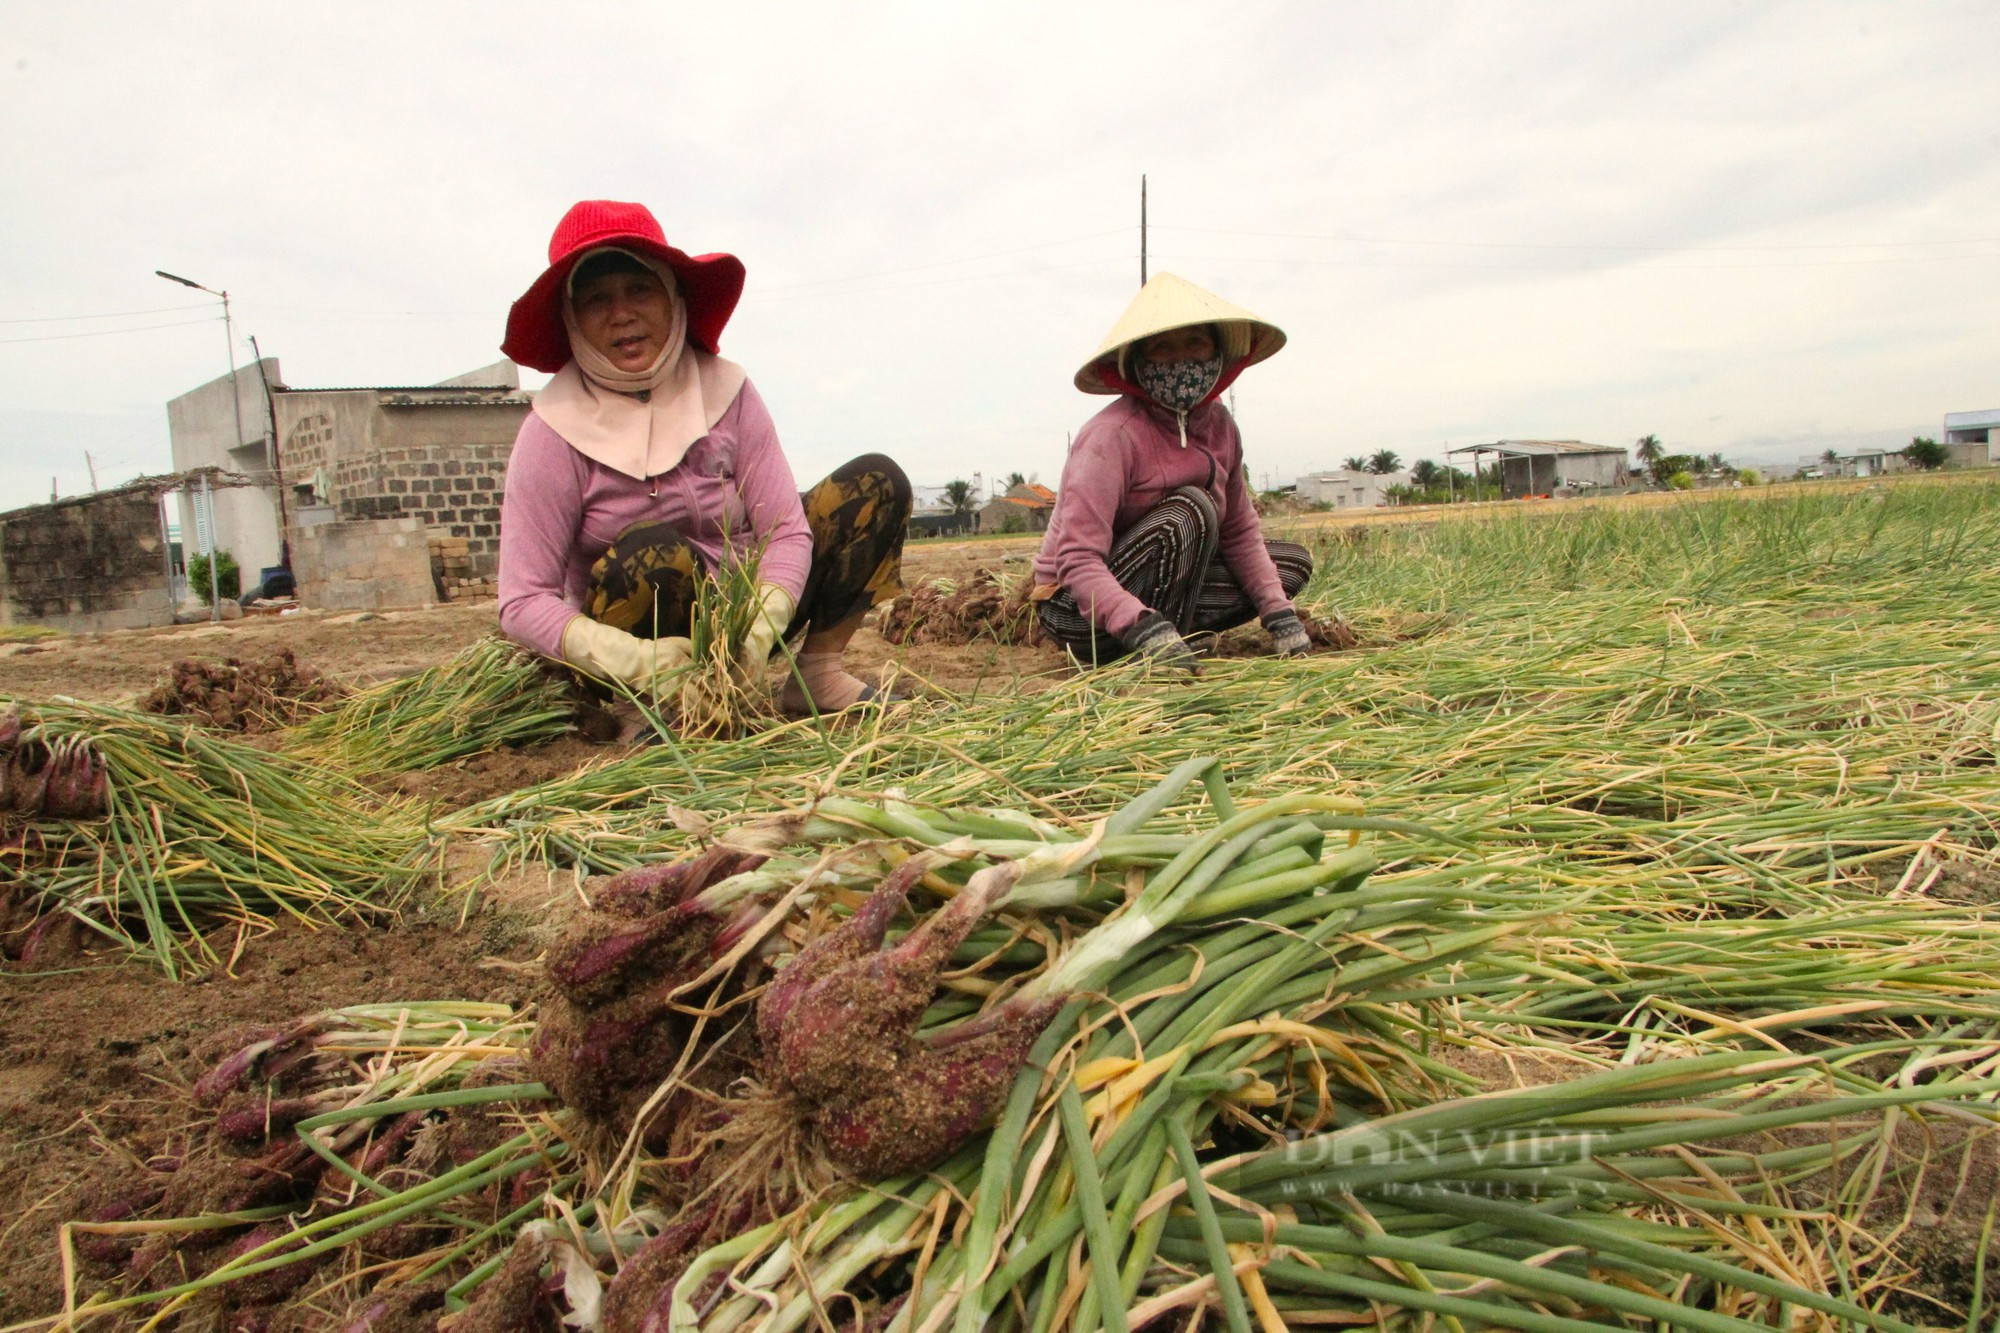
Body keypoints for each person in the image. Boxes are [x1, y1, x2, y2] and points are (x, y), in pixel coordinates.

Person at [496, 200, 911, 716]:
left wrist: (759, 624)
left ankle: (816, 676)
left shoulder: (726, 390)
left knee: (874, 483)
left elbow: (785, 529)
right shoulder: (552, 431)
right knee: (653, 553)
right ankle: (650, 711)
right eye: (597, 298)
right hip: (639, 646)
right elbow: (521, 601)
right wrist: (632, 659)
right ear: (571, 318)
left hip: (746, 604)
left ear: (673, 297)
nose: (622, 313)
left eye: (640, 289)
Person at [1032, 273, 1314, 672]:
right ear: (1139, 362)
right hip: (1075, 608)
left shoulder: (1221, 427)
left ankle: (1169, 631)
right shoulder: (1111, 436)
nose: (1181, 359)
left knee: (1291, 564)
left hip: (1168, 581)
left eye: (1194, 342)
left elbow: (1238, 532)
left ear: (1217, 352)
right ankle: (1149, 640)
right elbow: (1077, 559)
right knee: (1191, 509)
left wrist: (1279, 614)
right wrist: (1138, 624)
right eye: (1162, 348)